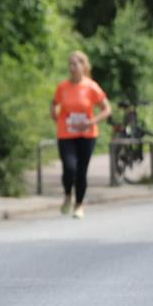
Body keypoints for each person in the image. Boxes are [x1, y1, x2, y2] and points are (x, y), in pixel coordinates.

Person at [51, 51, 111, 218]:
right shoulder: (63, 87)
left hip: (87, 134)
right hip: (66, 133)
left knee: (81, 171)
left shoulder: (91, 86)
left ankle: (79, 205)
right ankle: (67, 195)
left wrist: (91, 122)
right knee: (69, 167)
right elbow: (54, 104)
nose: (72, 67)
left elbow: (107, 109)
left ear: (84, 66)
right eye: (70, 64)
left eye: (75, 64)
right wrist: (55, 115)